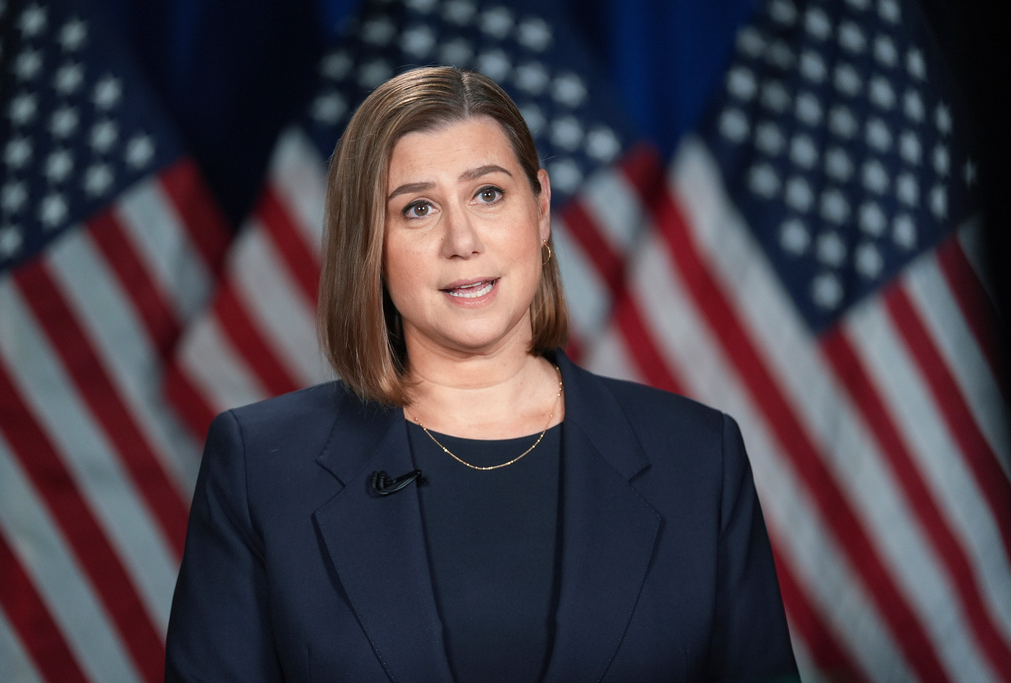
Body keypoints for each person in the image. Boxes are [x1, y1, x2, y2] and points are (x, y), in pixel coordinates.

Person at [165, 66, 798, 682]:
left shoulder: (697, 457)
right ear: (369, 245)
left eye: (488, 193)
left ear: (541, 209)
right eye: (417, 209)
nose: (461, 239)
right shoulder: (262, 468)